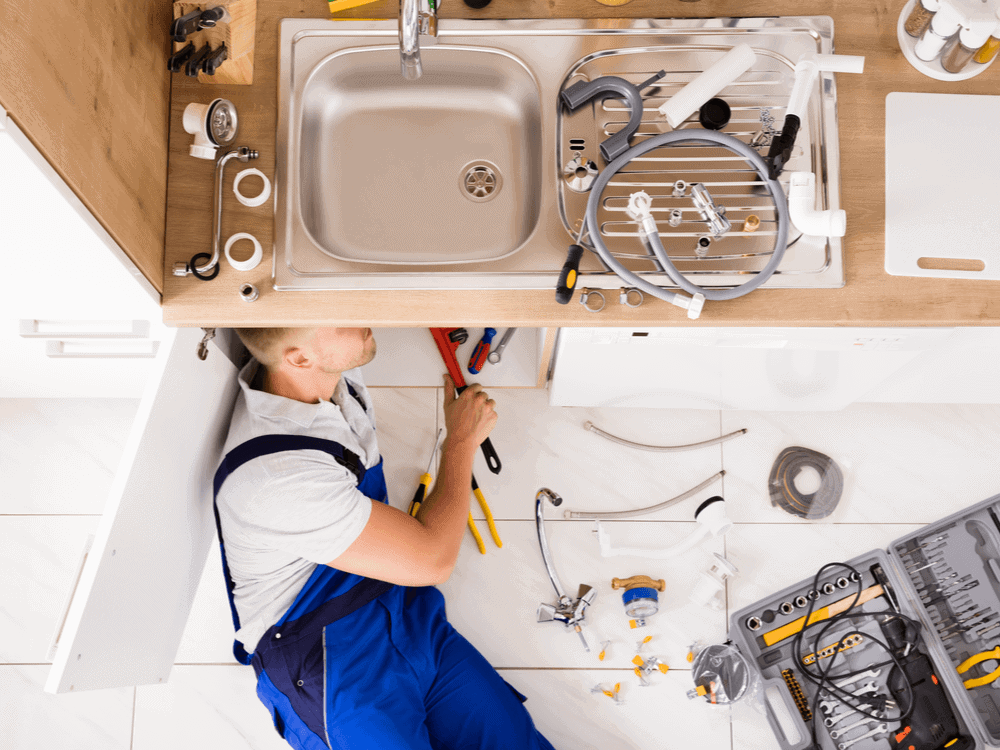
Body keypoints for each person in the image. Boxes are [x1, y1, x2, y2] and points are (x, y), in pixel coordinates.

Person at [213, 327, 556, 750]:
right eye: (340, 319)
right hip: (328, 663)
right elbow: (432, 559)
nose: (362, 317)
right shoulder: (278, 478)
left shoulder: (328, 381)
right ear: (299, 358)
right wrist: (461, 443)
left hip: (404, 616)